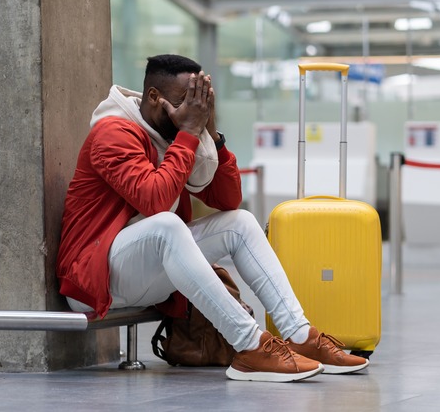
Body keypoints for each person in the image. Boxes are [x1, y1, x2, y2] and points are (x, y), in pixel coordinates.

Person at [57, 54, 369, 382]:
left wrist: (212, 133)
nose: (194, 110)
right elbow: (155, 201)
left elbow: (227, 199)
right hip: (95, 278)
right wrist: (190, 131)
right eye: (184, 101)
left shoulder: (173, 134)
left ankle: (301, 335)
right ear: (153, 97)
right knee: (167, 224)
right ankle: (250, 346)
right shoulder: (113, 133)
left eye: (200, 102)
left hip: (144, 273)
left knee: (240, 222)